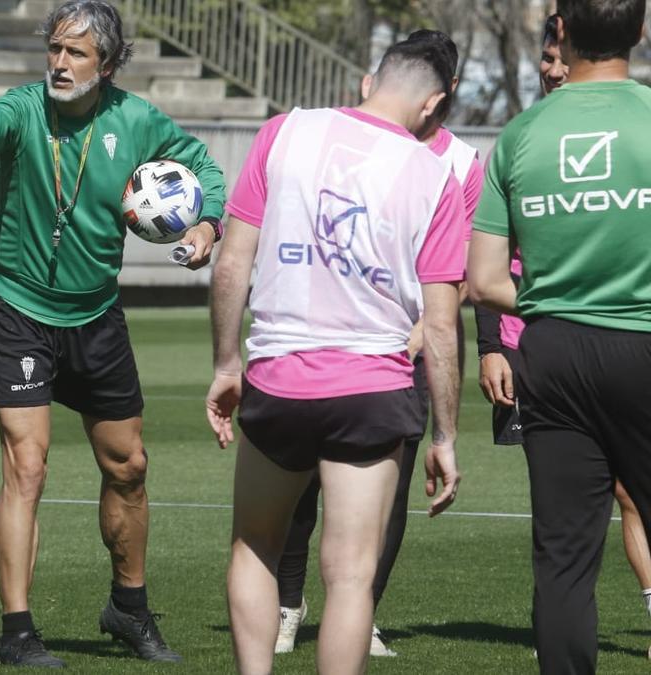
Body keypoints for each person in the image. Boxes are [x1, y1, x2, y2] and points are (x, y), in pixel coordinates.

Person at [0, 0, 225, 665]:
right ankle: (17, 629)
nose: (59, 62)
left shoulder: (135, 120)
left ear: (107, 64)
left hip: (96, 314)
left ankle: (127, 608)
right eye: (54, 48)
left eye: (75, 53)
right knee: (27, 464)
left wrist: (205, 224)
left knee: (128, 465)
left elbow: (208, 170)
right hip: (19, 308)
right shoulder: (22, 109)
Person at [207, 34, 464, 675]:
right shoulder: (437, 175)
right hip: (372, 388)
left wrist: (225, 365)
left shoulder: (282, 133)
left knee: (255, 545)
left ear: (367, 82)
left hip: (279, 375)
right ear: (434, 105)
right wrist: (447, 435)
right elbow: (439, 324)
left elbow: (231, 263)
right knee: (350, 576)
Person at [273, 29, 484, 659]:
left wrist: (410, 338)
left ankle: (363, 612)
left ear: (437, 100)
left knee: (384, 498)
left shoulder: (461, 165)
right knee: (297, 488)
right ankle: (288, 604)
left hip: (407, 353)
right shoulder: (336, 139)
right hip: (318, 346)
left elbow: (456, 276)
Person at [468, 1, 651, 671]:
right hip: (644, 340)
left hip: (554, 353)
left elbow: (484, 280)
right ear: (640, 32)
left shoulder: (519, 135)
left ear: (563, 33)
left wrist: (562, 296)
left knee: (565, 561)